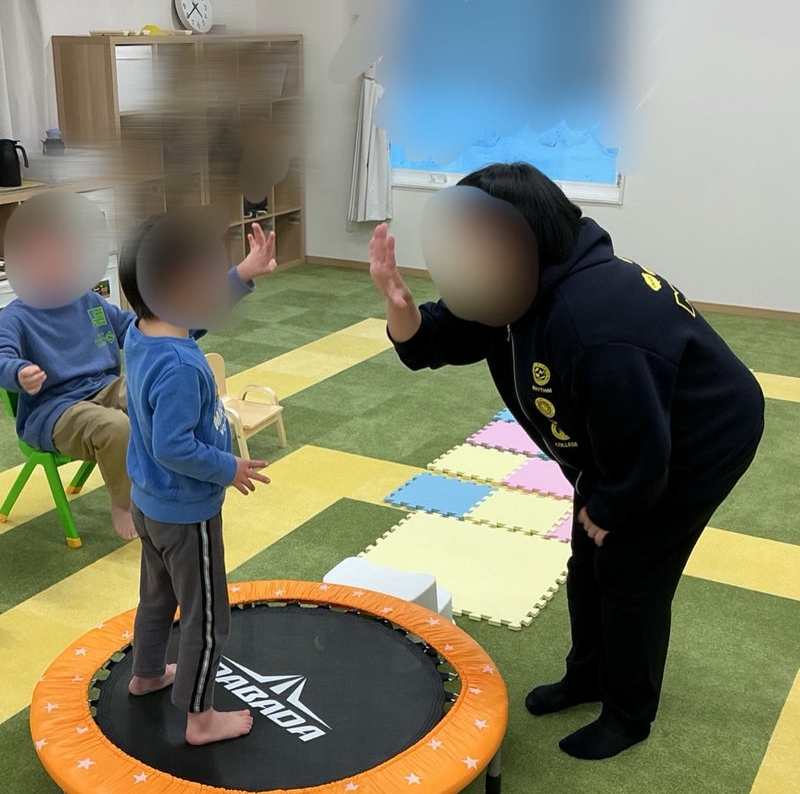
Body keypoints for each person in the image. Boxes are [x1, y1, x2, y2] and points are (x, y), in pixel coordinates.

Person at [369, 162, 764, 760]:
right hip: (617, 445)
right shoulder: (511, 285)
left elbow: (643, 450)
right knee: (588, 562)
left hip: (699, 440)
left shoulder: (595, 320)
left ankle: (628, 715)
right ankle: (586, 676)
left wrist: (612, 508)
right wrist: (400, 304)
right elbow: (437, 339)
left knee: (630, 574)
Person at [0, 197, 277, 540]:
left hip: (102, 388)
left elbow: (156, 326)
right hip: (54, 409)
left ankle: (176, 470)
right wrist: (18, 372)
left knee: (149, 391)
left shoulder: (89, 301)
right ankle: (123, 502)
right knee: (116, 426)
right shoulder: (15, 317)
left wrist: (240, 275)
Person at [119, 212, 271, 745]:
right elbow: (174, 446)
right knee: (207, 617)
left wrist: (243, 274)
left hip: (149, 503)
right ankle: (200, 718)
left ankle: (146, 674)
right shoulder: (182, 366)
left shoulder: (142, 332)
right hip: (187, 515)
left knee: (157, 596)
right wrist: (230, 468)